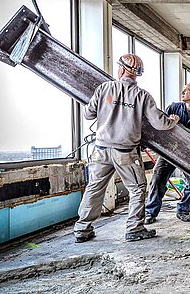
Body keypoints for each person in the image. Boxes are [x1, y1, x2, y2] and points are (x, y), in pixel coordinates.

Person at [74, 54, 180, 243]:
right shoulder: (142, 96)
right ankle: (134, 228)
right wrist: (173, 121)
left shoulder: (104, 89)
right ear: (136, 74)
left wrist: (107, 107)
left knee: (95, 188)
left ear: (121, 70)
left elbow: (88, 114)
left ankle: (82, 229)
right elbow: (159, 123)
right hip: (126, 153)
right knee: (138, 189)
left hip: (101, 150)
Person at [145, 83, 190, 223]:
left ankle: (183, 210)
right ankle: (151, 212)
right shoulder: (173, 108)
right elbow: (160, 126)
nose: (182, 92)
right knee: (157, 179)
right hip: (169, 151)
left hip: (189, 156)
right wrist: (171, 122)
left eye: (186, 90)